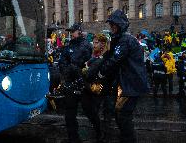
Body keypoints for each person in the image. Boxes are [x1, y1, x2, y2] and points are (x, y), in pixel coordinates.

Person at [87, 9, 149, 143]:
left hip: (131, 84)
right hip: (125, 84)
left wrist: (100, 72)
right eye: (111, 25)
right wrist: (94, 63)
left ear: (120, 25)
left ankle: (129, 139)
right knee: (119, 113)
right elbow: (106, 56)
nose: (112, 27)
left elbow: (114, 60)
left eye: (114, 24)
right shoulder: (119, 39)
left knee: (124, 115)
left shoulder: (125, 40)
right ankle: (125, 137)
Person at [58, 23, 92, 143]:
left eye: (73, 31)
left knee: (89, 111)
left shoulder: (87, 45)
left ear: (79, 32)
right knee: (69, 114)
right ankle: (73, 138)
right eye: (70, 32)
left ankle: (98, 131)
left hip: (83, 83)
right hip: (71, 84)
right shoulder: (68, 46)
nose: (71, 34)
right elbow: (62, 62)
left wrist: (75, 68)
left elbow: (87, 62)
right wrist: (67, 69)